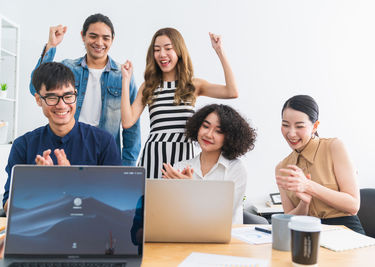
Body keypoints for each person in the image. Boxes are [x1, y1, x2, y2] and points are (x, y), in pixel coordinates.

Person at [3, 62, 121, 213]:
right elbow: (8, 207)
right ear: (38, 99)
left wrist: (69, 181)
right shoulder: (23, 145)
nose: (62, 105)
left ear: (75, 95)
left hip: (91, 231)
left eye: (68, 96)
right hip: (40, 232)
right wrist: (37, 183)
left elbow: (117, 202)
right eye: (52, 97)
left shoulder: (104, 141)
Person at [120, 28, 238, 178]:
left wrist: (219, 50)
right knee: (152, 201)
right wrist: (125, 80)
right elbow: (127, 121)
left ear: (179, 51)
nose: (162, 54)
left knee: (181, 199)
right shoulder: (148, 86)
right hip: (153, 156)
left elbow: (231, 91)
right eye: (157, 50)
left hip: (183, 156)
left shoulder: (193, 85)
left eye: (168, 48)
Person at [29, 13, 140, 166]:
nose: (99, 42)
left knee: (101, 191)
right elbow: (35, 87)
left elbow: (132, 127)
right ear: (83, 36)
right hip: (69, 148)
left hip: (105, 154)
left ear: (112, 39)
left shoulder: (123, 76)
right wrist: (51, 46)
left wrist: (128, 166)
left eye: (105, 38)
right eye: (93, 36)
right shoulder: (68, 68)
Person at [275, 95, 365, 234]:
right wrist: (304, 204)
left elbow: (353, 205)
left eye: (299, 126)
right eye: (285, 125)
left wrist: (309, 186)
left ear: (314, 126)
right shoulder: (282, 167)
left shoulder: (334, 147)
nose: (291, 133)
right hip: (305, 233)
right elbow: (289, 218)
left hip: (345, 231)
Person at [161, 104, 256, 224]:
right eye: (206, 126)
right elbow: (170, 214)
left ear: (229, 137)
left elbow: (222, 215)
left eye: (219, 131)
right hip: (187, 235)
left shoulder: (236, 169)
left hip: (227, 238)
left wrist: (190, 189)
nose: (209, 134)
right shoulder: (180, 167)